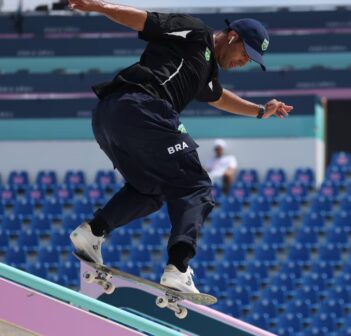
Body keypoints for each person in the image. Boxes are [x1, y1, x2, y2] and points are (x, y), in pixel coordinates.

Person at [68, 0, 293, 293]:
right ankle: (178, 269)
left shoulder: (207, 69)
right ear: (233, 37)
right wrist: (96, 6)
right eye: (245, 54)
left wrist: (261, 110)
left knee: (150, 189)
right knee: (197, 186)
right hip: (143, 107)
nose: (243, 62)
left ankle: (92, 232)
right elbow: (144, 20)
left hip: (109, 118)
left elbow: (219, 97)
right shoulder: (195, 31)